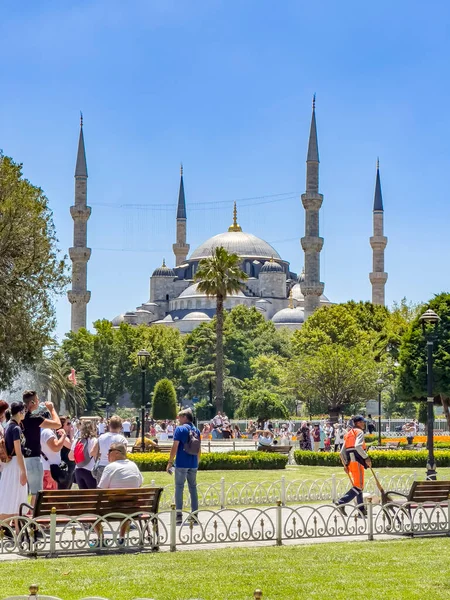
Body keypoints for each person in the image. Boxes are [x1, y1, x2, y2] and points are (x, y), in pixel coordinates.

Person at [98, 442, 143, 545]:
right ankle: (121, 537)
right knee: (127, 503)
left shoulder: (110, 467)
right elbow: (140, 483)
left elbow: (100, 489)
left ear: (117, 453)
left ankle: (101, 539)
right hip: (131, 509)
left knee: (92, 510)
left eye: (109, 451)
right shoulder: (133, 466)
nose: (107, 454)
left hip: (112, 509)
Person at [22, 390, 61, 507]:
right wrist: (51, 409)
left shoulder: (19, 418)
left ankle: (19, 519)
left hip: (21, 459)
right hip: (33, 459)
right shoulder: (35, 418)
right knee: (36, 494)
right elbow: (57, 424)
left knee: (22, 493)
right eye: (37, 399)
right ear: (33, 402)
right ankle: (33, 522)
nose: (39, 401)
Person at [167, 409, 201, 525]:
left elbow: (175, 446)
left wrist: (170, 462)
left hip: (181, 463)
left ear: (185, 417)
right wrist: (197, 462)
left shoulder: (180, 429)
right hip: (193, 463)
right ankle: (195, 514)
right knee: (193, 488)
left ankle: (178, 515)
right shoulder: (196, 430)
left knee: (179, 488)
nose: (178, 419)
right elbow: (199, 448)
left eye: (180, 417)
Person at [335, 415, 372, 517]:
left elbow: (342, 452)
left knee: (358, 486)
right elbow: (357, 446)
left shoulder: (349, 434)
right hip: (358, 461)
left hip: (351, 463)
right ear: (358, 423)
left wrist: (346, 464)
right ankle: (342, 502)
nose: (364, 424)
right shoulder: (359, 432)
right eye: (362, 422)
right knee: (358, 486)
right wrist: (366, 457)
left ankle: (361, 509)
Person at [0, 401, 28, 528]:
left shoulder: (8, 426)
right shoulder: (16, 428)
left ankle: (17, 529)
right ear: (21, 411)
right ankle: (15, 528)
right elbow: (18, 451)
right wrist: (23, 472)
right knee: (16, 497)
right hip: (16, 465)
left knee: (11, 496)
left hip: (10, 465)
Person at [92, 415, 127, 484]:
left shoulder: (101, 437)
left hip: (102, 466)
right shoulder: (122, 439)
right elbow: (124, 455)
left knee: (101, 491)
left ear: (109, 425)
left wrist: (101, 455)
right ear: (120, 426)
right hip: (116, 467)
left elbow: (93, 452)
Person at [69, 420, 97, 489]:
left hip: (78, 470)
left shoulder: (77, 441)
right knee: (93, 494)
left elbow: (70, 457)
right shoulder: (94, 440)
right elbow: (96, 454)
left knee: (83, 495)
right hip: (90, 470)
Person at [58, 416, 75, 489]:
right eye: (68, 424)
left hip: (70, 466)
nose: (70, 426)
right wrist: (72, 435)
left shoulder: (67, 435)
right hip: (64, 466)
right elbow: (72, 446)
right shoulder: (61, 434)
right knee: (64, 489)